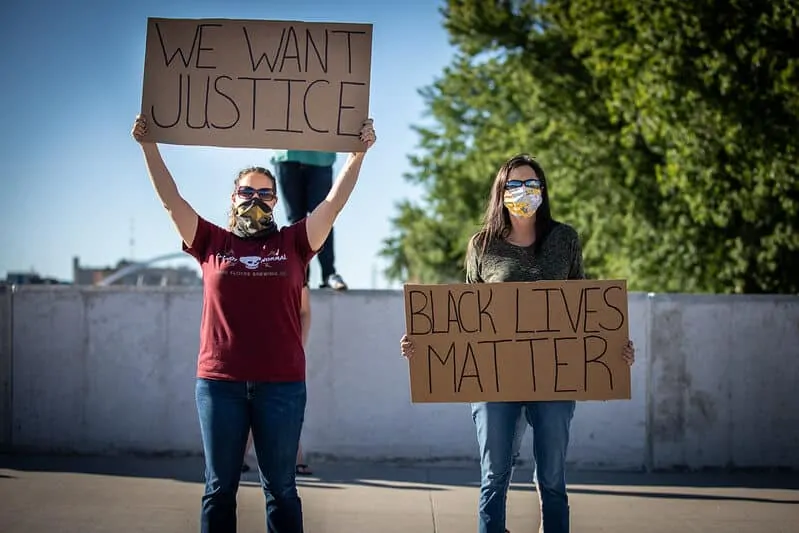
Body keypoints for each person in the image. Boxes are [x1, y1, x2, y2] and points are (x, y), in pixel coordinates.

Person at [131, 114, 376, 533]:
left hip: (280, 385)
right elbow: (172, 201)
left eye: (265, 193)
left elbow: (332, 204)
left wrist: (357, 155)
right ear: (233, 197)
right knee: (218, 489)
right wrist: (148, 145)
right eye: (247, 191)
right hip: (218, 384)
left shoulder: (295, 243)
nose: (255, 199)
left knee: (281, 489)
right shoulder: (211, 242)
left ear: (276, 202)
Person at [399, 154, 636, 533]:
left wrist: (613, 347)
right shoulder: (482, 245)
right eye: (514, 184)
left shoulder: (565, 240)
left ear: (543, 190)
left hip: (555, 381)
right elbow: (466, 318)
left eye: (531, 183)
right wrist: (424, 344)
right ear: (500, 192)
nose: (523, 191)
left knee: (554, 478)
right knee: (494, 475)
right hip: (495, 382)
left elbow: (584, 310)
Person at [243, 275, 313, 476]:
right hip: (250, 352)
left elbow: (305, 312)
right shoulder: (245, 271)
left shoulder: (293, 270)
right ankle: (295, 457)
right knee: (260, 406)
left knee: (281, 408)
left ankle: (295, 457)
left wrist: (297, 345)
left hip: (283, 353)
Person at [272, 150, 347, 290]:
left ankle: (328, 273)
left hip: (321, 156)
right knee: (296, 220)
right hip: (287, 155)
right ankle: (301, 277)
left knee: (324, 217)